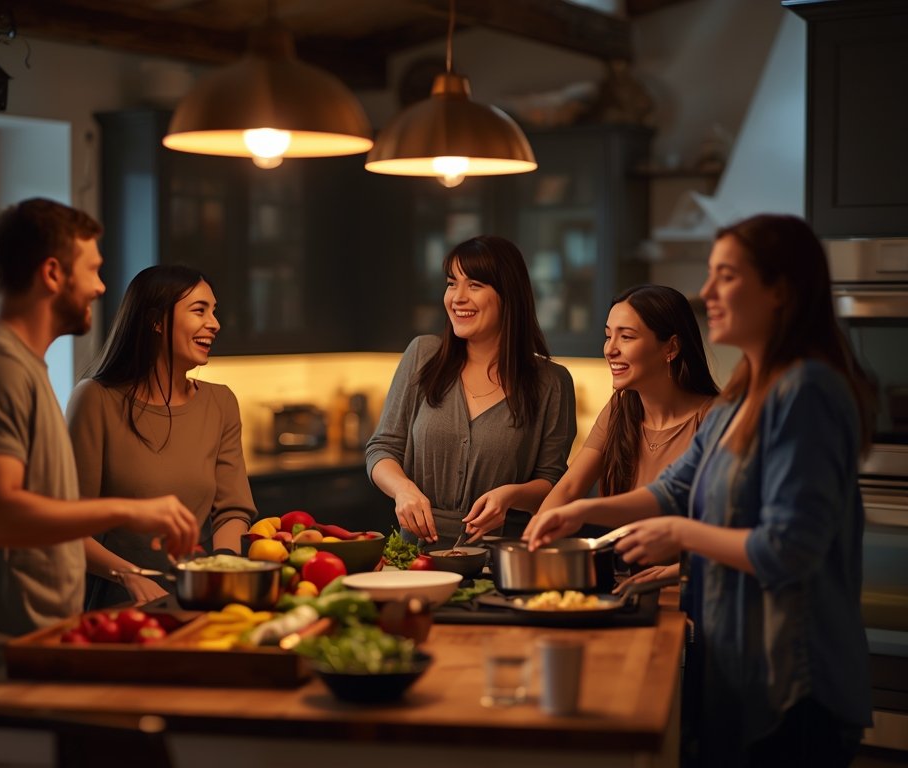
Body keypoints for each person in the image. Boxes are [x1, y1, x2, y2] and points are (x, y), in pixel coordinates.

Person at [525, 214, 874, 767]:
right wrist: (582, 510)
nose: (707, 291)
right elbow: (672, 488)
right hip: (735, 668)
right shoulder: (742, 396)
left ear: (780, 292)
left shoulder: (806, 392)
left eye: (727, 276)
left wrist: (679, 533)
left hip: (793, 682)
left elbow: (790, 550)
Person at [0, 199, 199, 766]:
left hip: (28, 652)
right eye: (91, 270)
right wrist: (130, 512)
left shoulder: (25, 367)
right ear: (52, 273)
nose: (100, 287)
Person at [366, 235, 576, 545]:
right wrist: (403, 490)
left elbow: (553, 481)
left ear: (509, 296)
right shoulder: (423, 355)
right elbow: (382, 448)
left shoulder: (551, 382)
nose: (457, 297)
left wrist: (511, 496)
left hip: (502, 562)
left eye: (475, 285)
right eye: (452, 283)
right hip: (418, 557)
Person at [67, 265, 257, 608]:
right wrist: (129, 575)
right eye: (199, 310)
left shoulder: (221, 402)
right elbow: (68, 526)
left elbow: (232, 510)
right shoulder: (95, 399)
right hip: (116, 603)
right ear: (156, 321)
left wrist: (221, 570)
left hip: (197, 599)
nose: (214, 323)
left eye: (214, 311)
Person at [534, 284, 718, 582]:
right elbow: (568, 489)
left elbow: (728, 528)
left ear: (670, 348)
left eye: (626, 337)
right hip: (628, 584)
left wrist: (674, 573)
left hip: (690, 590)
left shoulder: (714, 419)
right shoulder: (621, 408)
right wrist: (537, 538)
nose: (610, 348)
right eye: (608, 335)